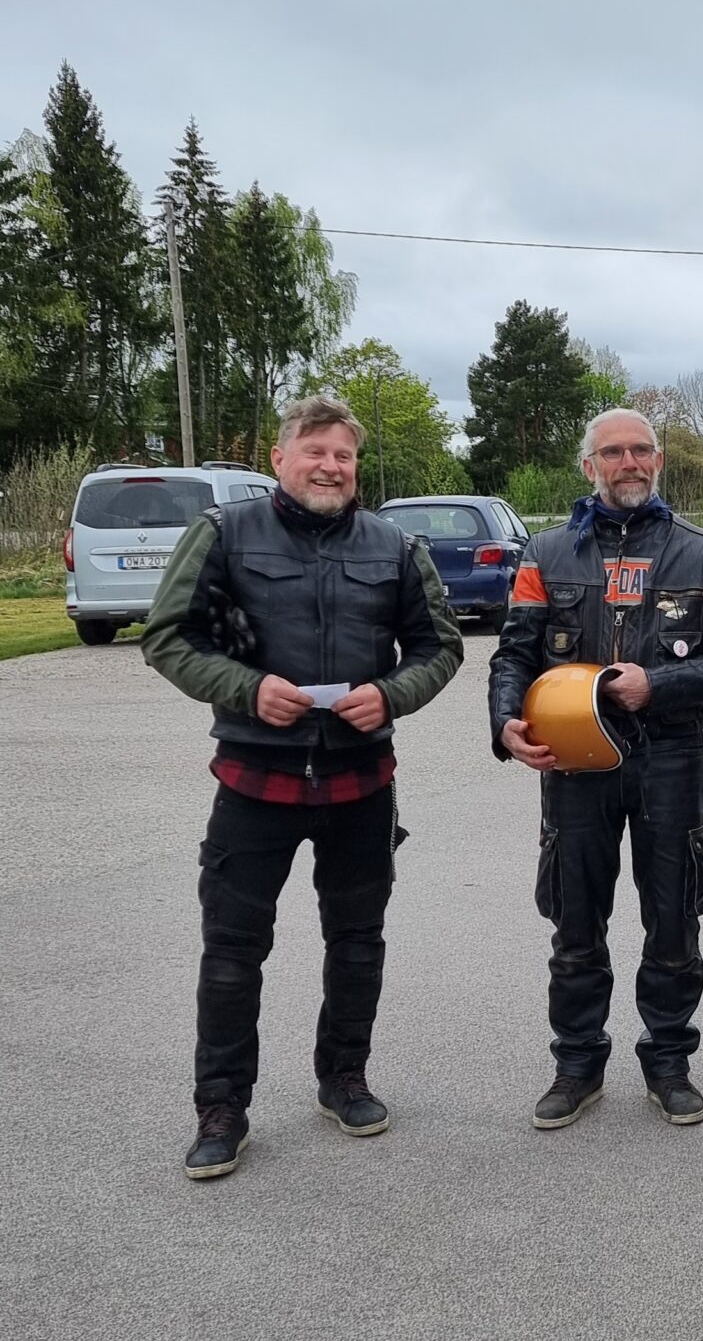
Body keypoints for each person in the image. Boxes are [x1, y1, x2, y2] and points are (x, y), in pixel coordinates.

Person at [143, 394, 464, 1180]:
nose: (330, 466)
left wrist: (391, 695)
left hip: (362, 782)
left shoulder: (395, 546)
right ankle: (221, 1108)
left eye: (343, 455)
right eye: (315, 451)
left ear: (356, 466)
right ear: (280, 458)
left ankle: (344, 1078)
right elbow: (168, 636)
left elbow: (441, 646)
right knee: (232, 951)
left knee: (357, 943)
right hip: (255, 780)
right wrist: (247, 688)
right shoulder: (223, 534)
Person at [490, 407, 703, 1130]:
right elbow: (514, 653)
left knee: (673, 918)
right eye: (613, 452)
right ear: (590, 466)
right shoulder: (545, 553)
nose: (629, 462)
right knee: (575, 921)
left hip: (670, 757)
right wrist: (505, 722)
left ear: (658, 460)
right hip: (573, 760)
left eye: (641, 449)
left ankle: (669, 1063)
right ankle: (577, 1066)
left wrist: (657, 685)